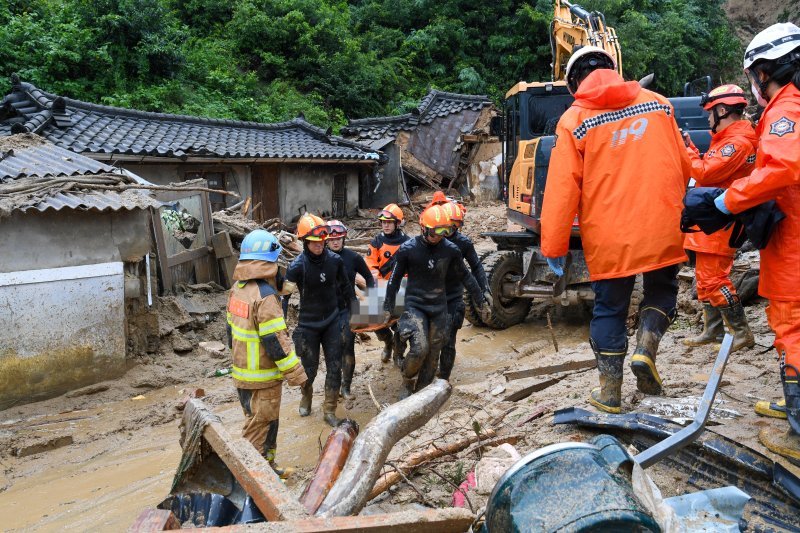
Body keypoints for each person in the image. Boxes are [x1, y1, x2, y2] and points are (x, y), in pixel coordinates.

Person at [540, 45, 692, 414]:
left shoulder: (574, 120)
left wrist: (554, 246)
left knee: (609, 309)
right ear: (613, 68)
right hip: (662, 223)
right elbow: (684, 165)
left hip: (610, 234)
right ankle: (646, 350)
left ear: (575, 83)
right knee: (662, 289)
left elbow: (562, 192)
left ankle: (610, 393)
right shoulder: (659, 104)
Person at [712, 23, 800, 458]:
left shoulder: (787, 110)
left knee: (793, 327)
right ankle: (794, 403)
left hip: (795, 241)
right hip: (788, 231)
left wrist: (729, 200)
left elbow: (781, 169)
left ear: (766, 71)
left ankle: (799, 432)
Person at [384, 204, 490, 399]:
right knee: (419, 348)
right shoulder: (408, 249)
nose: (440, 235)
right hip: (415, 305)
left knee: (434, 353)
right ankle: (407, 380)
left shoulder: (452, 249)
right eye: (436, 231)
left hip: (441, 307)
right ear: (423, 228)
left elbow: (467, 276)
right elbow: (394, 279)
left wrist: (481, 299)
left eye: (445, 231)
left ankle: (423, 393)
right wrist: (388, 306)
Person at [682, 84, 757, 353]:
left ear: (722, 110)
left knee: (714, 279)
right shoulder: (728, 142)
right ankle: (712, 330)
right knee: (705, 277)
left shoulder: (736, 143)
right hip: (713, 219)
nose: (708, 119)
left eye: (710, 113)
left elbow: (704, 173)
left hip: (722, 221)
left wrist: (687, 151)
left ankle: (741, 333)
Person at [226, 229, 307, 477]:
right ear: (271, 261)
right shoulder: (266, 297)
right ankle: (253, 482)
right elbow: (276, 341)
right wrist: (297, 374)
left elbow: (230, 334)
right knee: (259, 429)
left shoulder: (237, 289)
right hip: (263, 377)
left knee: (261, 424)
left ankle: (268, 469)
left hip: (242, 375)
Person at [285, 213, 353, 426]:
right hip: (308, 325)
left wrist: (355, 315)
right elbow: (284, 295)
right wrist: (282, 322)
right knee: (310, 369)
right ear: (305, 241)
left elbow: (346, 289)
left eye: (321, 241)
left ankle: (330, 409)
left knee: (335, 366)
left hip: (332, 320)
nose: (319, 246)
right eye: (314, 242)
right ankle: (307, 394)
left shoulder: (335, 261)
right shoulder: (297, 266)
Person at [427, 193, 490, 380]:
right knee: (427, 340)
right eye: (450, 224)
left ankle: (443, 378)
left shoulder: (463, 243)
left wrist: (484, 291)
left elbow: (475, 267)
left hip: (453, 296)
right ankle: (425, 373)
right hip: (429, 296)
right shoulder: (429, 240)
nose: (451, 229)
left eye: (456, 225)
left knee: (448, 340)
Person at [325, 219, 375, 399]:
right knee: (332, 350)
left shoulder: (353, 258)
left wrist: (370, 302)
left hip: (348, 308)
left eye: (338, 238)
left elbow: (369, 278)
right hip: (327, 309)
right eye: (332, 239)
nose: (335, 242)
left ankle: (346, 387)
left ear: (344, 238)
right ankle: (333, 386)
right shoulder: (321, 258)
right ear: (326, 240)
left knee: (347, 346)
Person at [365, 203, 410, 365]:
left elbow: (411, 268)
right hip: (380, 288)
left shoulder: (408, 243)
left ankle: (398, 355)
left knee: (401, 326)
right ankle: (387, 343)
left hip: (401, 290)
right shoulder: (377, 241)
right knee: (375, 323)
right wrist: (379, 285)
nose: (385, 225)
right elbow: (370, 265)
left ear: (397, 223)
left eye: (389, 222)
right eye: (383, 222)